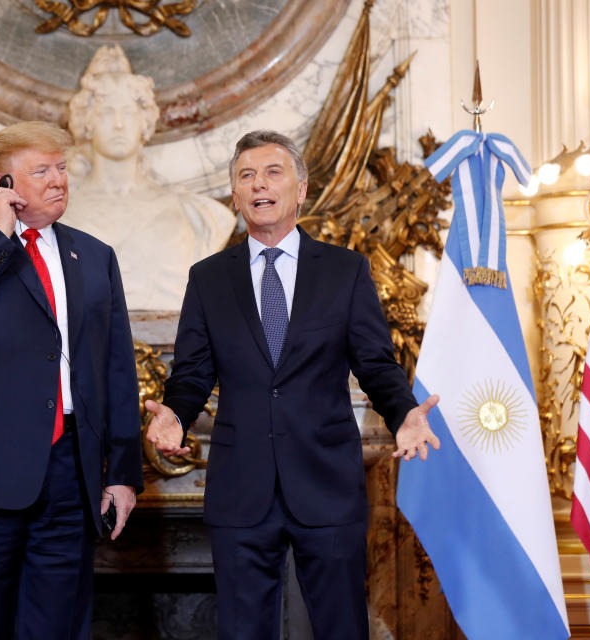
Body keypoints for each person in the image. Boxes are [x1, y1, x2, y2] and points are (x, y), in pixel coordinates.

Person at [145, 130, 440, 639]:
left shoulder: (346, 272)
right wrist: (175, 412)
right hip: (241, 487)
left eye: (273, 172)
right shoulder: (208, 278)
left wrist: (404, 413)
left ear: (300, 190)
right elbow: (193, 373)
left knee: (341, 628)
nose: (259, 184)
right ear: (235, 196)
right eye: (246, 176)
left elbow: (375, 363)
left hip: (326, 483)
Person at [0, 121, 144, 639]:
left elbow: (116, 370)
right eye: (41, 170)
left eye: (62, 168)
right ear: (2, 184)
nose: (58, 180)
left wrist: (123, 472)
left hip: (68, 475)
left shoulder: (95, 256)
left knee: (57, 627)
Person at [61, 45, 236, 311]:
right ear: (87, 122)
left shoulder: (199, 215)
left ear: (145, 122)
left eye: (129, 112)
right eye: (106, 112)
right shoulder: (59, 212)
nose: (119, 124)